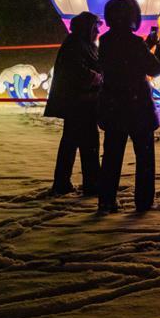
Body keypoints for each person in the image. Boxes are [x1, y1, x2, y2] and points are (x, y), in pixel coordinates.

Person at [96, 0, 160, 214]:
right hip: (138, 109)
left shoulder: (105, 42)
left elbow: (125, 58)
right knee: (144, 158)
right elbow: (154, 69)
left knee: (111, 157)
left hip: (113, 106)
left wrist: (148, 45)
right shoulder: (134, 43)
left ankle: (106, 200)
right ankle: (143, 201)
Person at [44, 11, 102, 196]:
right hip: (79, 103)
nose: (97, 32)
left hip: (80, 102)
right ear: (88, 28)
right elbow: (78, 72)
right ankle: (90, 184)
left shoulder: (81, 44)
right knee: (87, 144)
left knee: (74, 143)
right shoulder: (77, 45)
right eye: (95, 28)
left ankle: (65, 182)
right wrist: (98, 78)